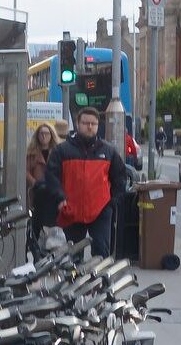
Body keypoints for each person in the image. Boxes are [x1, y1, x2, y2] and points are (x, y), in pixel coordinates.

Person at [43, 107, 128, 257]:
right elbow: (51, 176)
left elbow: (120, 178)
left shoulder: (109, 151)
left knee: (101, 253)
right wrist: (60, 198)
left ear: (97, 126)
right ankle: (75, 280)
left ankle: (100, 280)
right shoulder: (62, 151)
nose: (89, 127)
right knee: (73, 256)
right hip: (71, 210)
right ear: (77, 124)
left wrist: (112, 202)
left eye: (93, 124)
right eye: (86, 123)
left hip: (100, 210)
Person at [25, 123, 59, 256]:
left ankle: (48, 250)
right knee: (35, 224)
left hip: (51, 195)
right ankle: (34, 250)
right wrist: (34, 183)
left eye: (47, 133)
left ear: (51, 135)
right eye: (41, 133)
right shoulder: (32, 153)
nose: (44, 136)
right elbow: (26, 171)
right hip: (37, 194)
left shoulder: (57, 151)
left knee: (51, 223)